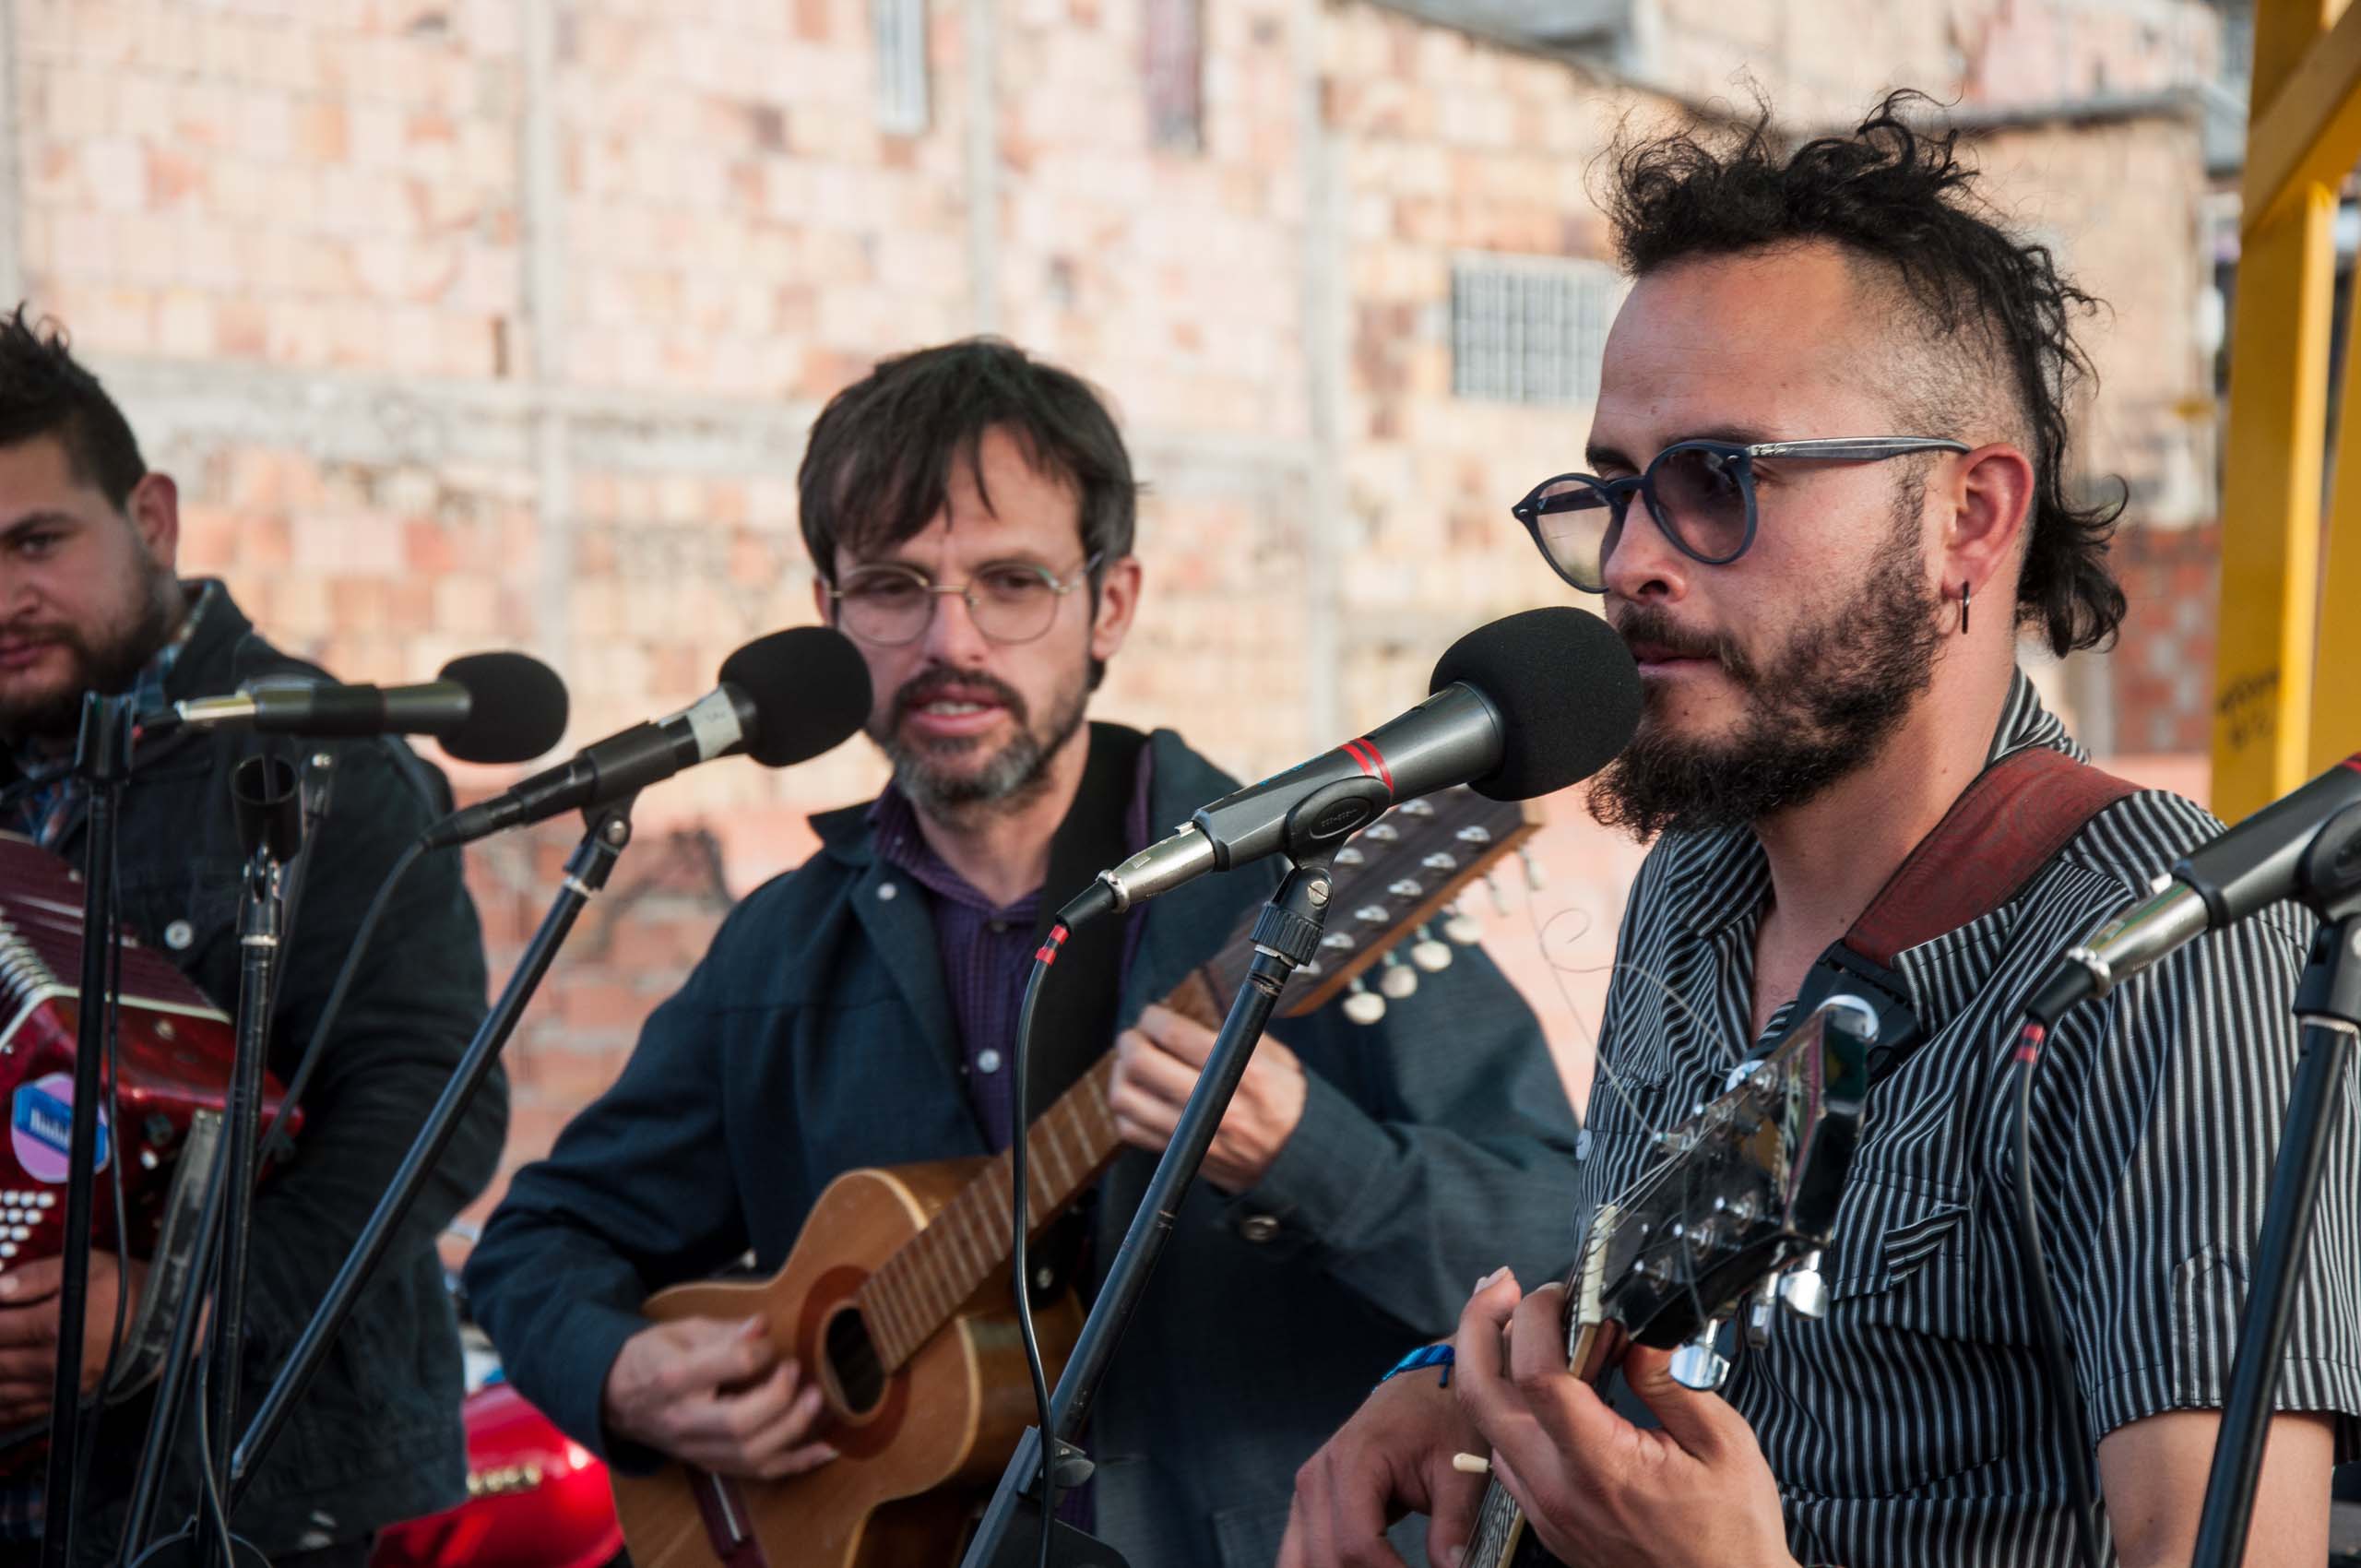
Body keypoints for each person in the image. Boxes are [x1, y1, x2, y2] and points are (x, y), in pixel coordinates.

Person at [1281, 94, 2361, 1568]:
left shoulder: (2165, 953)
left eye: (1720, 480)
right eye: (1614, 490)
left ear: (1968, 516)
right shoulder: (1694, 881)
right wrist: (1459, 1392)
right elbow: (1668, 1310)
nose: (1633, 559)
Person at [463, 338, 1584, 1568]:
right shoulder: (783, 947)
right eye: (893, 586)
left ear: (1112, 604)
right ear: (830, 616)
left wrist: (1312, 1156)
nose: (952, 640)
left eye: (1011, 582)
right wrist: (619, 1372)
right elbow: (537, 1243)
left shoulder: (1301, 889)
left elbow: (1564, 1253)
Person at [0, 309, 502, 1565]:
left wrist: (169, 1308)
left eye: (37, 542)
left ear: (153, 518)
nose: (5, 597)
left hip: (250, 1492)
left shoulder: (328, 762)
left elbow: (432, 1110)